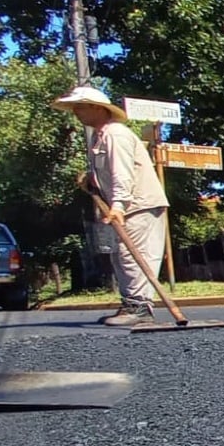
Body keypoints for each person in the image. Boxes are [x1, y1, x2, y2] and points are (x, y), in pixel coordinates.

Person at [51, 86, 169, 327]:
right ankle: (131, 302)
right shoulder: (99, 136)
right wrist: (91, 180)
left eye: (80, 107)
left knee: (133, 256)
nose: (76, 112)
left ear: (97, 108)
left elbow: (122, 174)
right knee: (120, 256)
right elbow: (109, 173)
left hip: (138, 205)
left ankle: (139, 306)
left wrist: (118, 206)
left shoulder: (116, 134)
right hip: (126, 205)